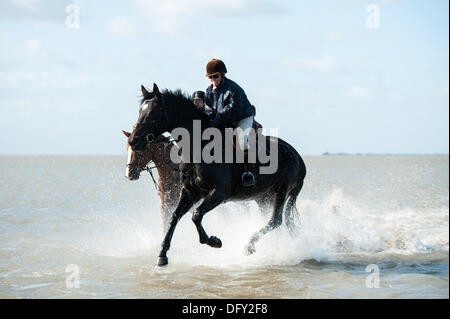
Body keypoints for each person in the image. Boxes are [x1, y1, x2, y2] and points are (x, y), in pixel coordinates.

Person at [204, 58, 257, 187]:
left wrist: (217, 120)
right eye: (210, 78)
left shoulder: (234, 89)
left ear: (222, 74)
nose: (213, 80)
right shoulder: (209, 91)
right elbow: (208, 108)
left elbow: (234, 110)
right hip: (224, 119)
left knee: (241, 139)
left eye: (215, 76)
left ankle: (248, 172)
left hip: (242, 118)